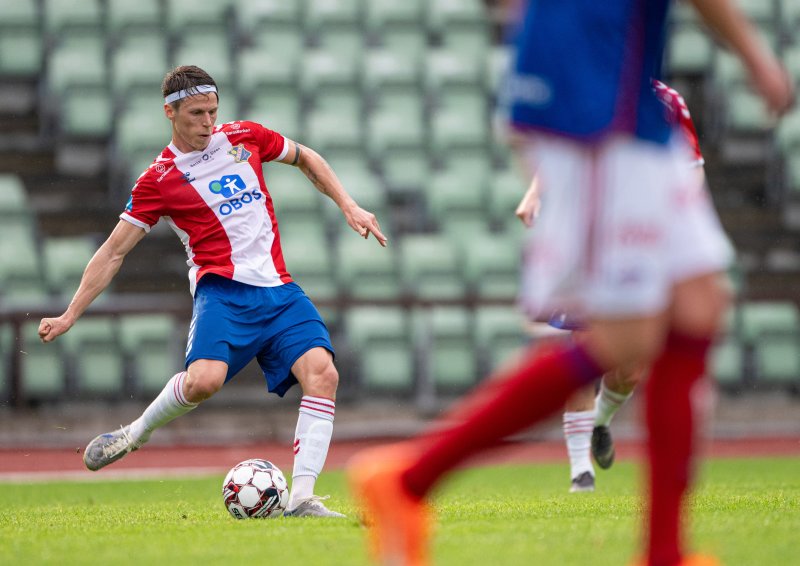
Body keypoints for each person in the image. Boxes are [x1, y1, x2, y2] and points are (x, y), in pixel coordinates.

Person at [349, 0, 793, 564]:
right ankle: (409, 480)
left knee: (699, 305)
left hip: (624, 101)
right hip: (594, 107)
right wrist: (756, 57)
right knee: (625, 339)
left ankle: (664, 550)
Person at [38, 65, 387, 518]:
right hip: (222, 293)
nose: (207, 122)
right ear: (170, 112)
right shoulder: (158, 180)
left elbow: (306, 157)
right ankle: (135, 434)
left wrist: (348, 204)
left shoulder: (245, 137)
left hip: (279, 290)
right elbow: (112, 253)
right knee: (204, 381)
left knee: (323, 373)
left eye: (212, 111)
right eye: (197, 113)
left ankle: (301, 499)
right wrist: (69, 314)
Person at [515, 80, 708, 493]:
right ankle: (580, 471)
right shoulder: (588, 86)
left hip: (641, 242)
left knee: (630, 365)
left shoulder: (667, 101)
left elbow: (692, 170)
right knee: (582, 346)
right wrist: (533, 194)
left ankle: (601, 420)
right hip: (588, 241)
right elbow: (557, 153)